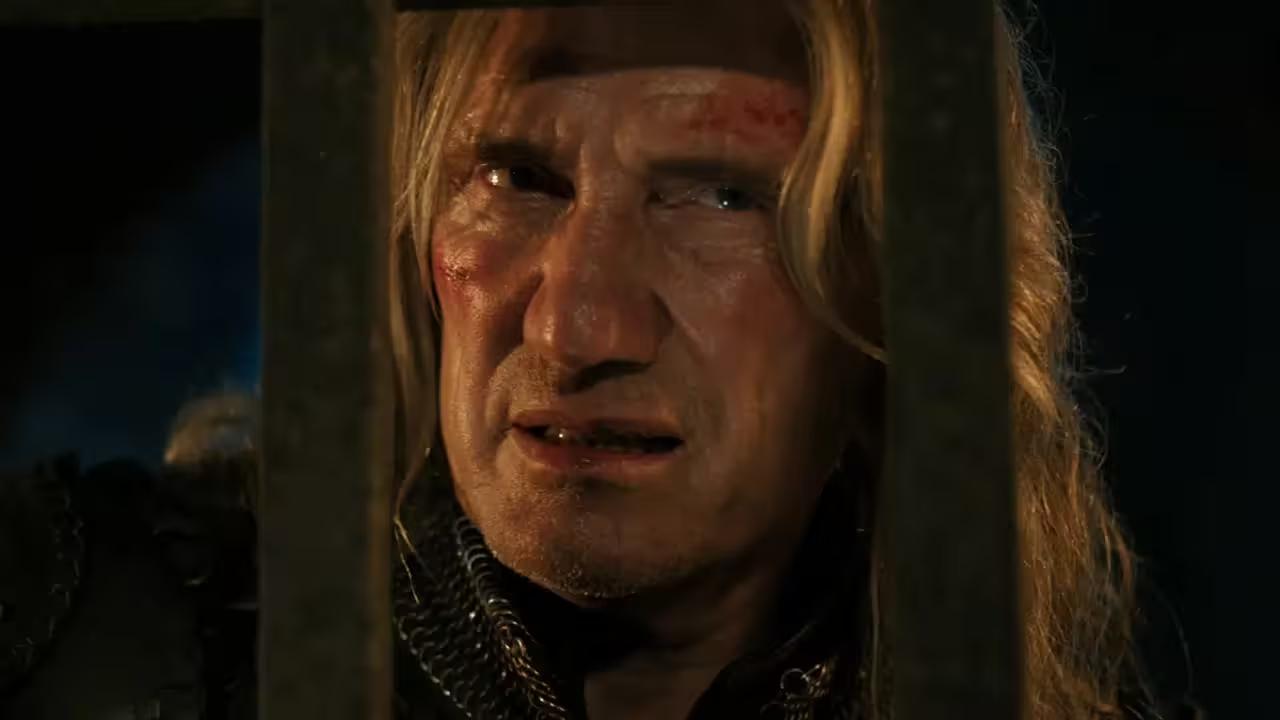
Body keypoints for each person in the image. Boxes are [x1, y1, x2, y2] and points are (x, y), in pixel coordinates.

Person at [1, 2, 1195, 719]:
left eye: (720, 197)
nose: (577, 328)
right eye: (515, 177)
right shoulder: (71, 632)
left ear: (894, 292)